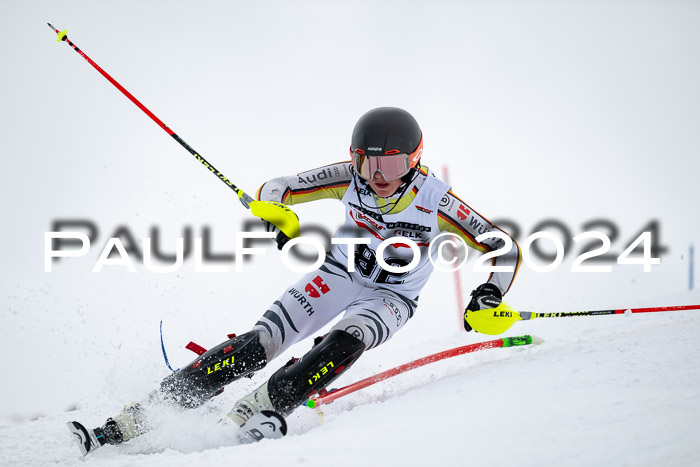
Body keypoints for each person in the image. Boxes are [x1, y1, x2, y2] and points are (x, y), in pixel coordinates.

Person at [69, 107, 521, 454]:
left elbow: (504, 246)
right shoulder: (350, 179)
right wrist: (280, 215)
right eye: (367, 164)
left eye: (393, 164)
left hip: (391, 296)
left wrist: (488, 293)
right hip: (338, 276)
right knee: (258, 345)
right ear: (354, 158)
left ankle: (261, 410)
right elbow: (276, 187)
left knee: (347, 341)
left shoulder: (436, 201)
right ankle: (138, 416)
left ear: (415, 159)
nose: (378, 177)